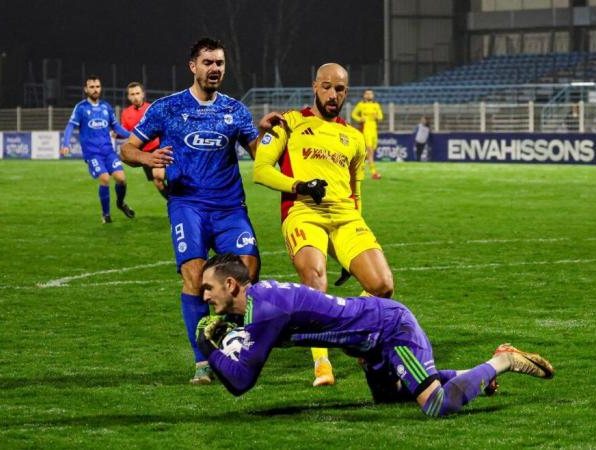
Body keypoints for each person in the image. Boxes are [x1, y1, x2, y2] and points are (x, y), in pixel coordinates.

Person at [195, 254, 555, 418]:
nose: (205, 297)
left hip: (388, 329)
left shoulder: (267, 310)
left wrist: (207, 346)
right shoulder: (259, 304)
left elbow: (242, 381)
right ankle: (473, 377)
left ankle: (502, 361)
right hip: (368, 342)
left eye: (208, 289)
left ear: (230, 284)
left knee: (435, 405)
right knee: (389, 398)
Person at [121, 37, 279, 385]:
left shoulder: (235, 111)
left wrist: (266, 136)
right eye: (208, 62)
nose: (215, 69)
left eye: (219, 63)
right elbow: (127, 149)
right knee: (194, 275)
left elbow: (259, 154)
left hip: (229, 207)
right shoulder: (167, 108)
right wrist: (147, 158)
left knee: (248, 271)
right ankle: (203, 364)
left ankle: (238, 349)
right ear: (193, 66)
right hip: (188, 205)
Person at [253, 63, 395, 387]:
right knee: (316, 281)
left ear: (347, 92)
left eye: (340, 89)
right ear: (315, 86)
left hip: (346, 218)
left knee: (383, 285)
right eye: (327, 87)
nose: (333, 95)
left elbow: (355, 194)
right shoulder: (288, 123)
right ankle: (322, 364)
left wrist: (347, 252)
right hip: (303, 212)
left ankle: (351, 334)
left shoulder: (354, 138)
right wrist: (299, 186)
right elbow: (260, 170)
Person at [61, 75, 135, 224]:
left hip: (108, 151)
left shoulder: (106, 107)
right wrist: (65, 144)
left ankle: (120, 204)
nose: (95, 90)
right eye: (92, 87)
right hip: (92, 153)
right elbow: (70, 126)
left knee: (121, 179)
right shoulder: (81, 108)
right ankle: (106, 215)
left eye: (97, 87)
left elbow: (117, 127)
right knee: (104, 178)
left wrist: (133, 135)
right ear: (86, 89)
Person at [120, 82, 167, 199]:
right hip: (143, 153)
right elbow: (125, 132)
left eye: (137, 93)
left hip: (159, 147)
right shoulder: (126, 113)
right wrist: (116, 134)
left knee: (158, 175)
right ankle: (174, 203)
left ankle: (181, 204)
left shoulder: (152, 108)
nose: (135, 96)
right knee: (158, 183)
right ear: (128, 97)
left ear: (143, 94)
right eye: (132, 94)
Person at [351, 89, 383, 179]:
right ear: (364, 95)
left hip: (374, 131)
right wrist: (359, 119)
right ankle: (374, 173)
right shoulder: (361, 105)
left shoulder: (376, 105)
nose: (369, 95)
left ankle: (356, 168)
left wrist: (378, 117)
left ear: (372, 95)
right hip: (365, 130)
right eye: (367, 94)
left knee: (369, 152)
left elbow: (381, 116)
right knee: (370, 151)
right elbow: (353, 114)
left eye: (370, 94)